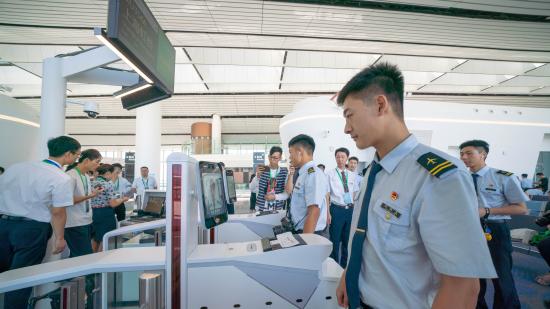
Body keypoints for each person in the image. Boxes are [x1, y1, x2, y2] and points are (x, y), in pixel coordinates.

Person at [335, 63, 496, 309]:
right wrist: (350, 275)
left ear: (380, 105)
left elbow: (463, 288)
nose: (346, 128)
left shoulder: (439, 177)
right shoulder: (374, 171)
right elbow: (369, 238)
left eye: (349, 115)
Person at [0, 136, 81, 308]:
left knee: (3, 273)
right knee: (20, 278)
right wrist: (60, 238)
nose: (76, 159)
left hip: (4, 224)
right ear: (68, 154)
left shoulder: (16, 168)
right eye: (77, 155)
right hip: (31, 229)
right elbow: (58, 212)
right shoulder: (61, 178)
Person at [459, 139, 528, 309]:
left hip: (495, 229)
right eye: (461, 154)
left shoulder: (503, 177)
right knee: (475, 275)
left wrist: (487, 211)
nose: (464, 157)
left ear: (483, 154)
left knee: (501, 276)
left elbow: (521, 209)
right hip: (469, 229)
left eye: (469, 153)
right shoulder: (460, 177)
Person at [65, 149, 103, 257]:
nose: (98, 165)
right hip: (74, 223)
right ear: (86, 160)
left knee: (77, 255)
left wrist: (92, 194)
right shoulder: (70, 176)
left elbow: (84, 196)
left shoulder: (86, 176)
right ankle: (88, 275)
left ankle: (74, 274)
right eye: (97, 161)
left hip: (86, 221)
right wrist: (90, 196)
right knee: (84, 256)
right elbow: (67, 200)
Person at [287, 134, 328, 234]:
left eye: (291, 153)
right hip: (299, 228)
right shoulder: (304, 173)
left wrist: (306, 244)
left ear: (300, 152)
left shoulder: (313, 174)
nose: (289, 157)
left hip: (308, 232)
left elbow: (314, 211)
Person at [327, 147, 360, 267]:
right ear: (335, 158)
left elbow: (355, 193)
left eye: (343, 157)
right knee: (335, 240)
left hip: (349, 210)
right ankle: (334, 265)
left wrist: (355, 210)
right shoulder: (330, 174)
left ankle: (344, 266)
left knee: (347, 240)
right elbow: (327, 194)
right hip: (336, 210)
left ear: (347, 158)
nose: (340, 159)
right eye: (338, 157)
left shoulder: (352, 175)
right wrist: (328, 213)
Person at [91, 164, 129, 252]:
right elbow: (113, 204)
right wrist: (123, 199)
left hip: (93, 213)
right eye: (113, 173)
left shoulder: (91, 182)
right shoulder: (108, 184)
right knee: (104, 239)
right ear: (108, 173)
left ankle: (91, 260)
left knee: (96, 238)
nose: (113, 176)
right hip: (105, 214)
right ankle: (100, 261)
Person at [258, 146, 289, 211]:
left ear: (280, 158)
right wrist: (257, 176)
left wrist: (275, 197)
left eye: (275, 158)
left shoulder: (284, 172)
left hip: (277, 208)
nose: (272, 160)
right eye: (271, 157)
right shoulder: (263, 169)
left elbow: (287, 194)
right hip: (261, 207)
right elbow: (252, 188)